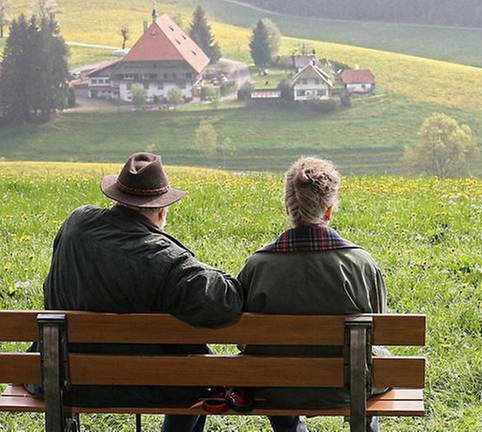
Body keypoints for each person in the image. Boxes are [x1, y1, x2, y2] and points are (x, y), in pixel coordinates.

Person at [34, 152, 244, 432]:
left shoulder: (76, 223)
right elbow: (226, 301)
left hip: (63, 378)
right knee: (199, 373)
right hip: (144, 385)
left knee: (195, 371)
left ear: (116, 199)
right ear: (161, 211)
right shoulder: (167, 260)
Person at [237, 157, 388, 432]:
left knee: (262, 362)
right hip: (348, 384)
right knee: (379, 359)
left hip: (278, 388)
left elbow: (243, 340)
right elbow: (378, 327)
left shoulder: (257, 265)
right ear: (329, 211)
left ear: (287, 207)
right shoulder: (361, 263)